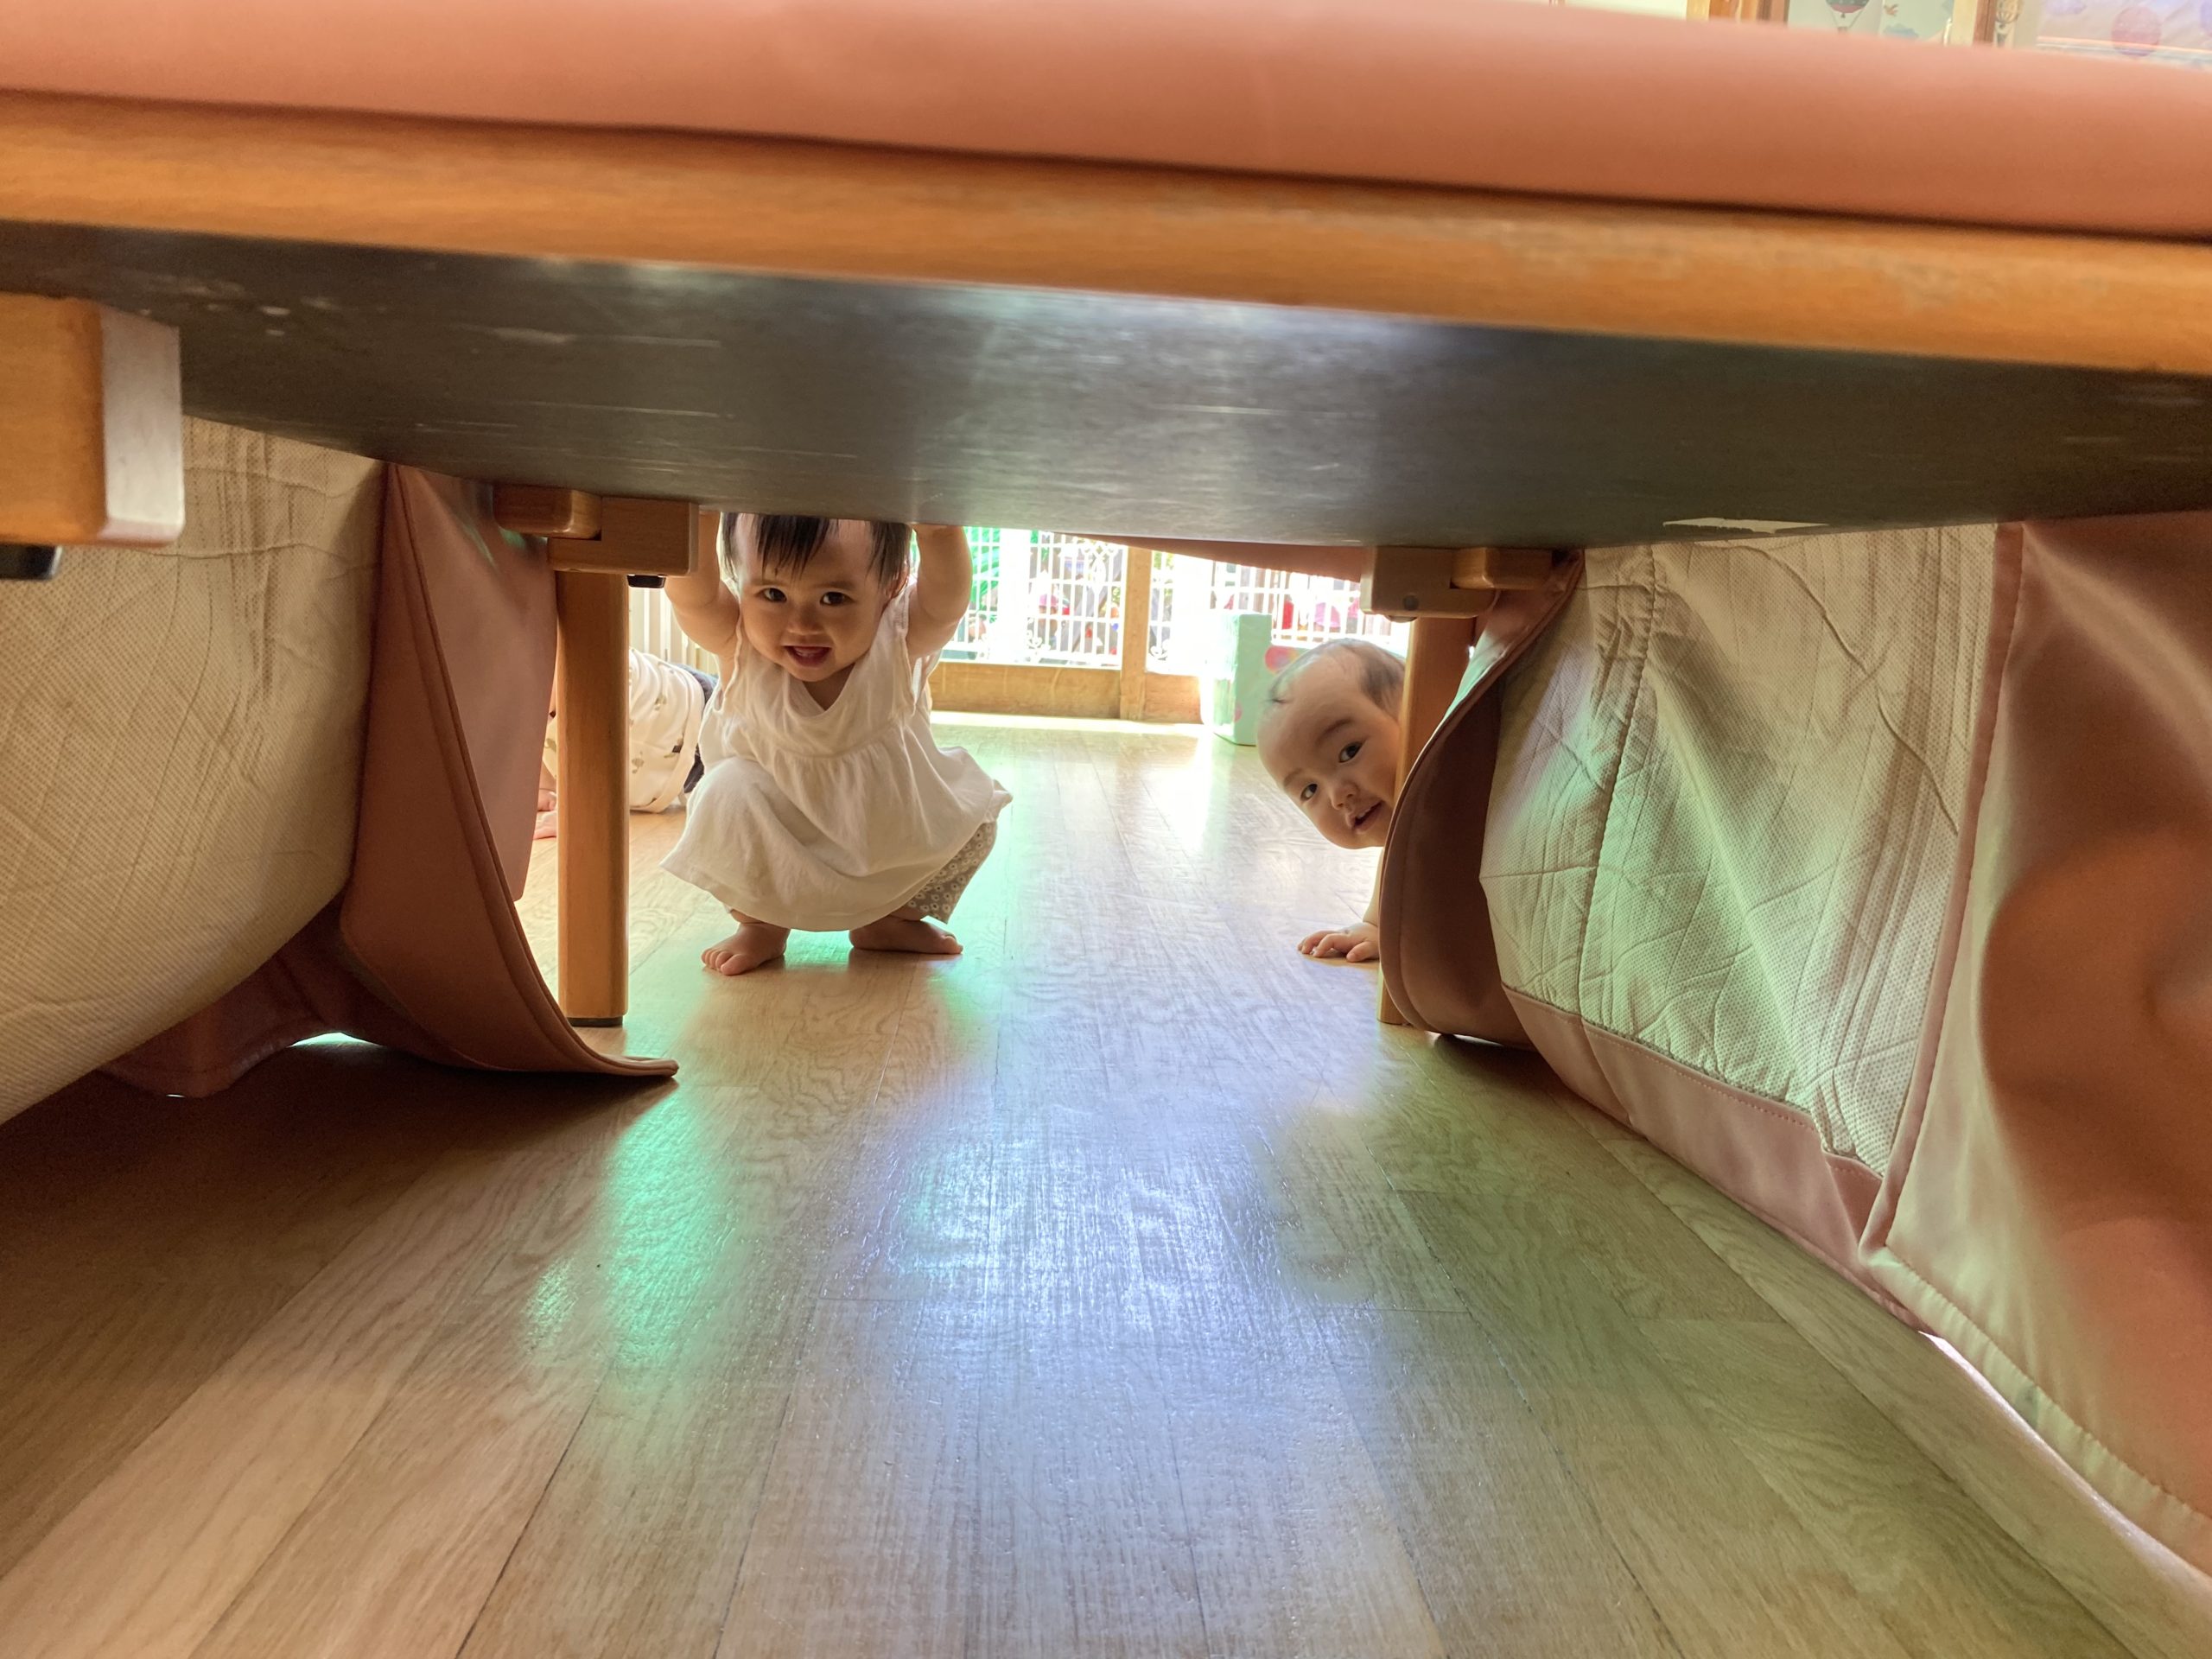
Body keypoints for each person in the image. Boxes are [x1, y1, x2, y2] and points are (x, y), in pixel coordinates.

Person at [660, 514, 1010, 976]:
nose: (802, 624)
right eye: (773, 595)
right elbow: (694, 596)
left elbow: (945, 602)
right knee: (724, 794)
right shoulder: (739, 643)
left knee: (975, 818)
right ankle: (761, 923)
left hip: (882, 827)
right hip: (778, 826)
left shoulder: (896, 640)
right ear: (740, 584)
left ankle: (889, 920)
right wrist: (701, 515)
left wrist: (939, 532)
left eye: (833, 598)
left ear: (891, 586)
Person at [1255, 637, 1406, 963]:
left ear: (1418, 712)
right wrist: (1376, 928)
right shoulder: (1402, 843)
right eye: (1310, 790)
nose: (1338, 796)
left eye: (1349, 751)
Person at [536, 649, 716, 838]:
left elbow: (597, 758)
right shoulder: (529, 709)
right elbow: (534, 742)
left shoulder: (593, 668)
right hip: (670, 771)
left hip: (696, 711)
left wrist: (576, 811)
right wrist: (544, 787)